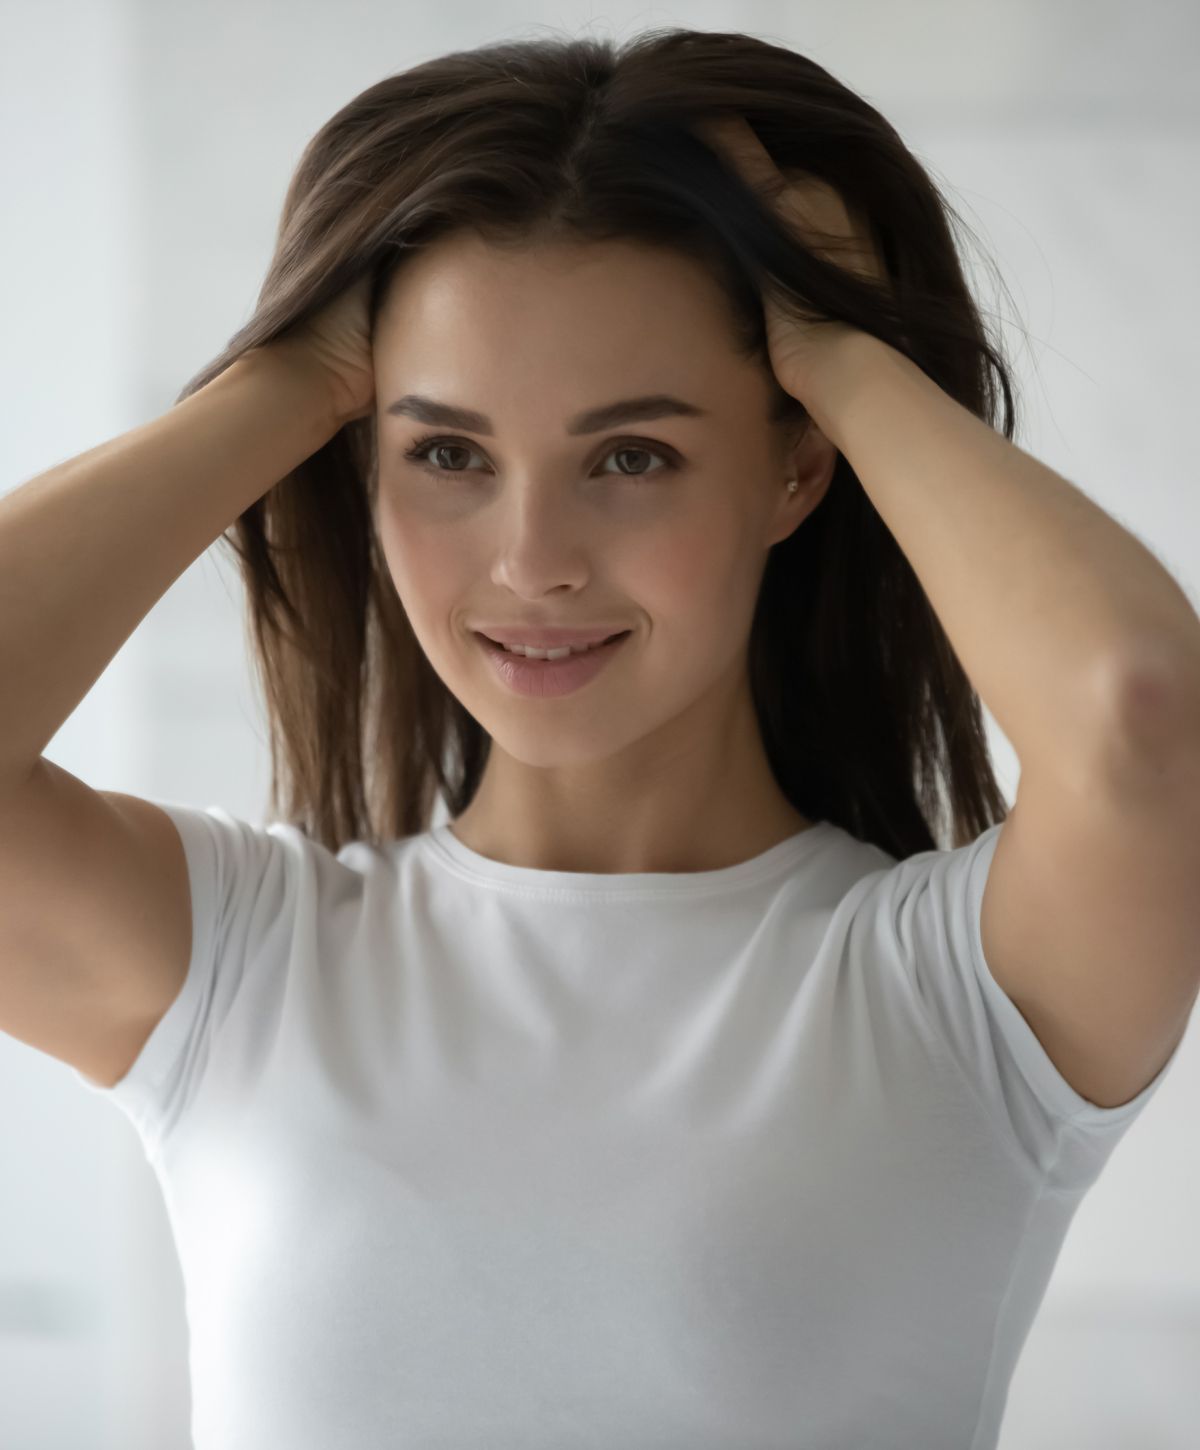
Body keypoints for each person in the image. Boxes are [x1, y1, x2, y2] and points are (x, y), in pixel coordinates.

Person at [0, 27, 1186, 1450]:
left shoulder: (964, 1003)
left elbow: (1139, 711)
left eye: (633, 456)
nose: (533, 560)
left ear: (797, 463)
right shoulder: (238, 969)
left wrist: (830, 344)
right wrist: (300, 372)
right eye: (446, 452)